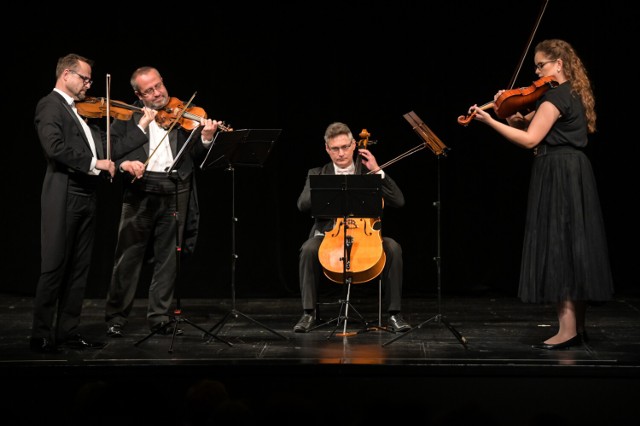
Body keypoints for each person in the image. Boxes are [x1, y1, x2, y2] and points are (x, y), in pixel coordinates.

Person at [467, 39, 614, 350]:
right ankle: (578, 327)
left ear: (558, 64)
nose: (536, 72)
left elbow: (530, 140)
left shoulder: (554, 98)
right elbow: (525, 123)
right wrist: (506, 110)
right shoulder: (568, 93)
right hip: (574, 171)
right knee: (574, 247)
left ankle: (567, 330)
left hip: (557, 172)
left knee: (559, 246)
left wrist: (490, 121)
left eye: (541, 65)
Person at [31, 53, 156, 353]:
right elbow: (54, 148)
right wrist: (94, 163)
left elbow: (107, 149)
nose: (89, 84)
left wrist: (141, 126)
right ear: (66, 75)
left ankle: (67, 331)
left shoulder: (80, 113)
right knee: (55, 266)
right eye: (84, 78)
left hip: (86, 196)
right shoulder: (50, 105)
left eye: (89, 79)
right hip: (64, 193)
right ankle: (42, 333)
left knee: (79, 269)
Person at [105, 66, 220, 337]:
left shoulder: (181, 112)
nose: (158, 93)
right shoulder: (127, 115)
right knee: (128, 257)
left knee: (169, 258)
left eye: (159, 85)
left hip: (176, 188)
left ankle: (159, 317)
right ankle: (116, 317)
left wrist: (204, 138)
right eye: (150, 90)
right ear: (138, 94)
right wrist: (124, 164)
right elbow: (111, 150)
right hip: (140, 189)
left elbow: (194, 154)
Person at [294, 122, 411, 333]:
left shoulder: (368, 172)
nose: (341, 153)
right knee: (309, 249)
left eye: (345, 147)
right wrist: (319, 184)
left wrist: (377, 170)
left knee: (393, 247)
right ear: (327, 149)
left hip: (366, 235)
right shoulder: (318, 172)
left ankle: (394, 314)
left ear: (354, 145)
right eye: (335, 149)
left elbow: (399, 201)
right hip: (330, 235)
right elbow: (302, 205)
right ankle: (308, 313)